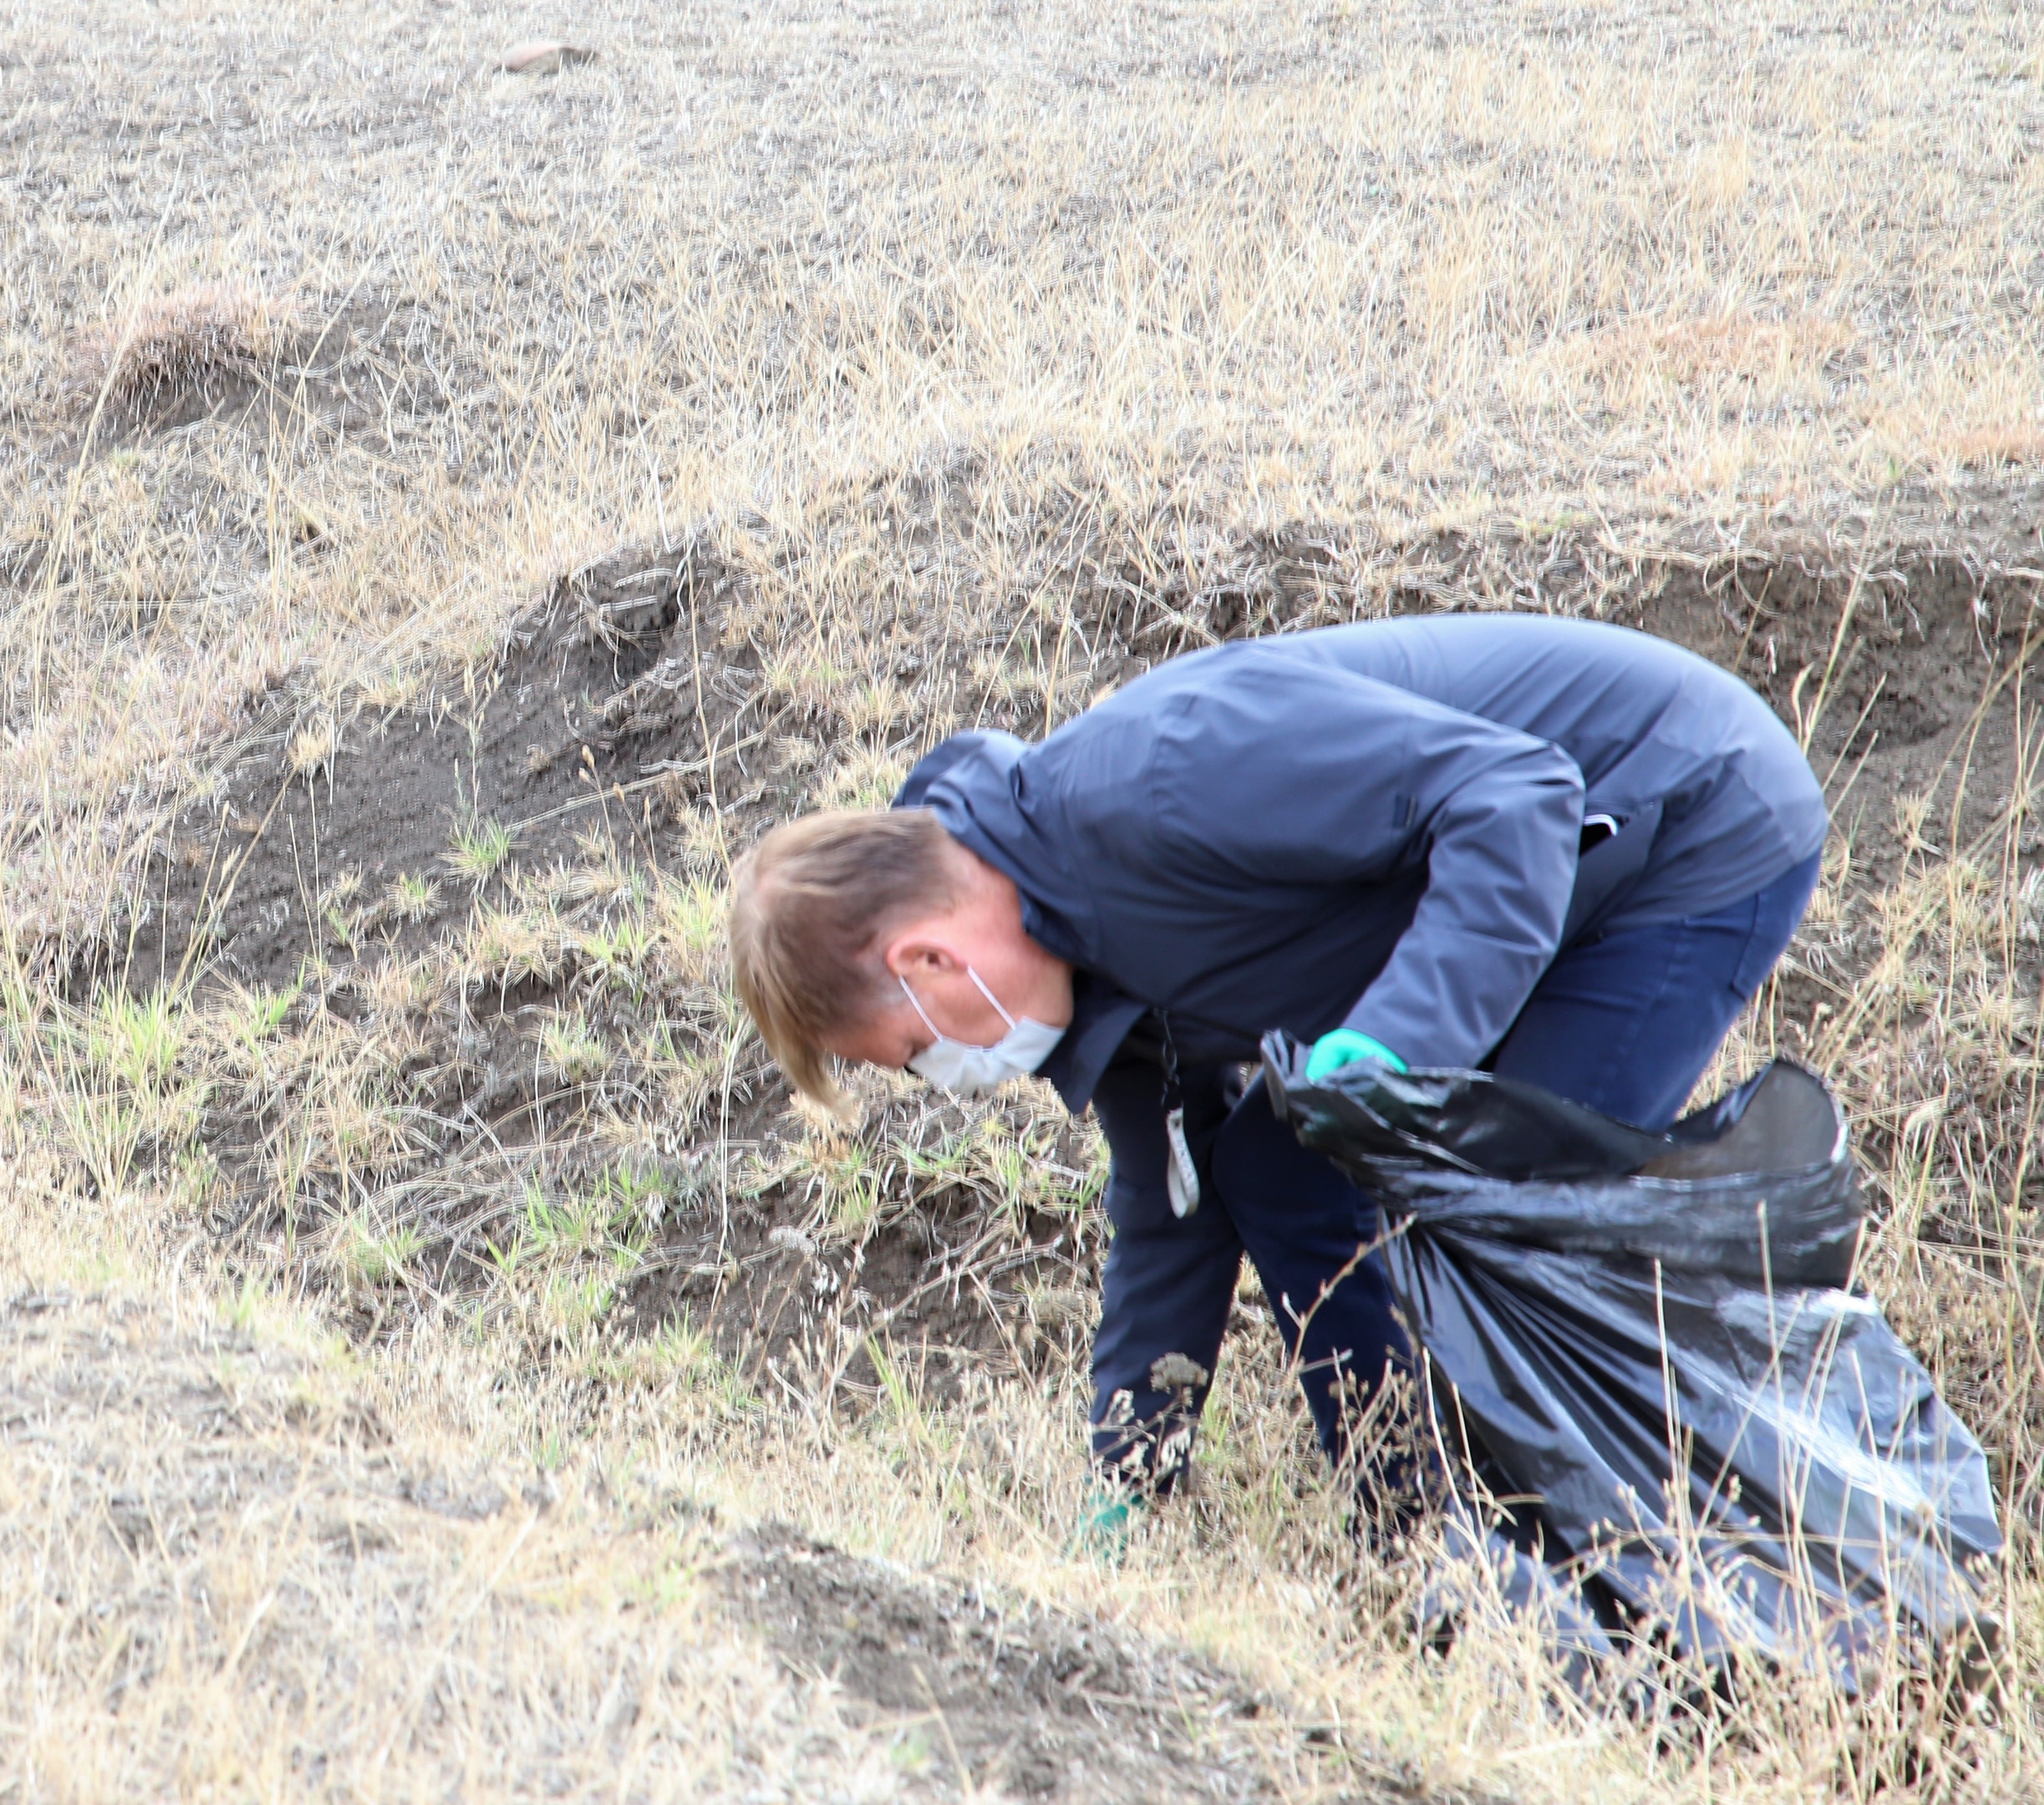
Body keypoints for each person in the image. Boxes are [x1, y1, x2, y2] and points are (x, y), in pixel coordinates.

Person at [725, 615, 1825, 1510]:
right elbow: (1174, 1207)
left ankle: (1630, 1533)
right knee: (1279, 1164)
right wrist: (1130, 1473)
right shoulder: (1082, 961)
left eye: (917, 1051)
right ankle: (1410, 1507)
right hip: (1558, 876)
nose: (953, 1077)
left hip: (1680, 815)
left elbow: (1517, 796)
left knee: (1495, 1209)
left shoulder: (1163, 778)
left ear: (926, 960)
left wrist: (1396, 1046)